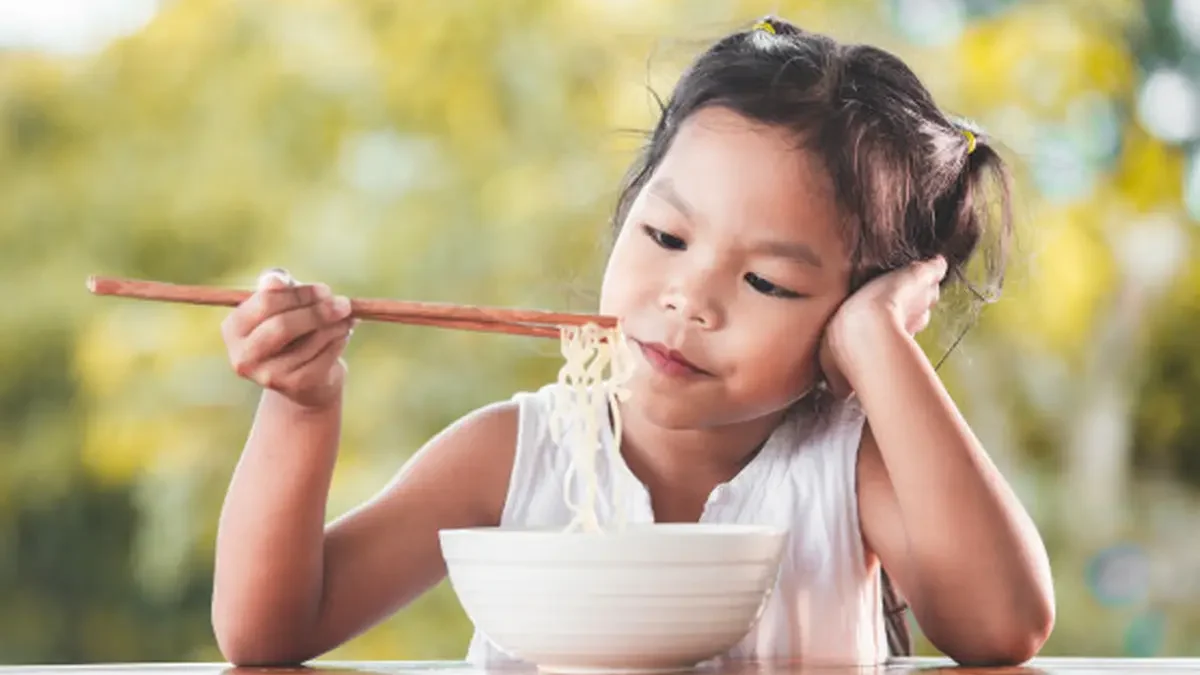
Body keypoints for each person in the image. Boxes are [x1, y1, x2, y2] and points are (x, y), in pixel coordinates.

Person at [209, 16, 1055, 669]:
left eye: (768, 283)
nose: (689, 298)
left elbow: (1003, 625)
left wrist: (879, 348)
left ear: (846, 314)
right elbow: (268, 631)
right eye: (665, 236)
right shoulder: (515, 454)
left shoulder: (845, 469)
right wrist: (300, 404)